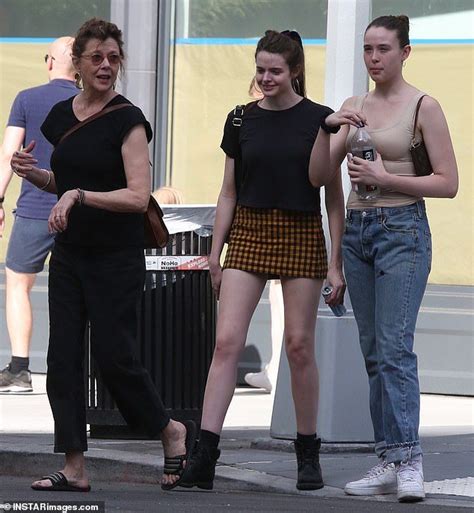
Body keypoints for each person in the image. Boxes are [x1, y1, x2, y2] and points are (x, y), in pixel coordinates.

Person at [10, 18, 196, 492]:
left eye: (114, 58)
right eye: (97, 57)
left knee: (115, 359)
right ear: (77, 64)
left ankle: (169, 429)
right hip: (70, 254)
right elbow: (61, 180)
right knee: (63, 359)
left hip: (116, 255)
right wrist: (35, 176)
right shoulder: (59, 116)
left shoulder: (128, 119)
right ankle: (74, 465)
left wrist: (78, 196)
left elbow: (137, 197)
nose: (107, 66)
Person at [176, 29, 346, 492]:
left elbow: (333, 198)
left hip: (300, 228)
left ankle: (307, 453)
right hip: (249, 228)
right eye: (260, 69)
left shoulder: (321, 119)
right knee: (226, 343)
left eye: (275, 70)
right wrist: (215, 253)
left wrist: (336, 263)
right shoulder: (239, 120)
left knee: (298, 345)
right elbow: (228, 190)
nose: (265, 78)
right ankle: (204, 455)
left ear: (294, 70)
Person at [309, 15, 458, 503]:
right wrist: (327, 126)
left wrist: (388, 177)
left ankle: (410, 457)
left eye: (383, 50)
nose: (374, 59)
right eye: (368, 50)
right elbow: (318, 174)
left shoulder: (423, 106)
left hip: (403, 229)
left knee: (395, 348)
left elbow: (448, 183)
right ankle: (389, 458)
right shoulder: (353, 106)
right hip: (358, 231)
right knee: (374, 352)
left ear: (405, 52)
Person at [0, 37, 79, 393]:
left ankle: (19, 370)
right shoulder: (88, 102)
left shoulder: (27, 99)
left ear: (49, 62)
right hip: (78, 209)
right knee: (80, 288)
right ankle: (85, 367)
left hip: (33, 209)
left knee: (18, 282)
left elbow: (8, 154)